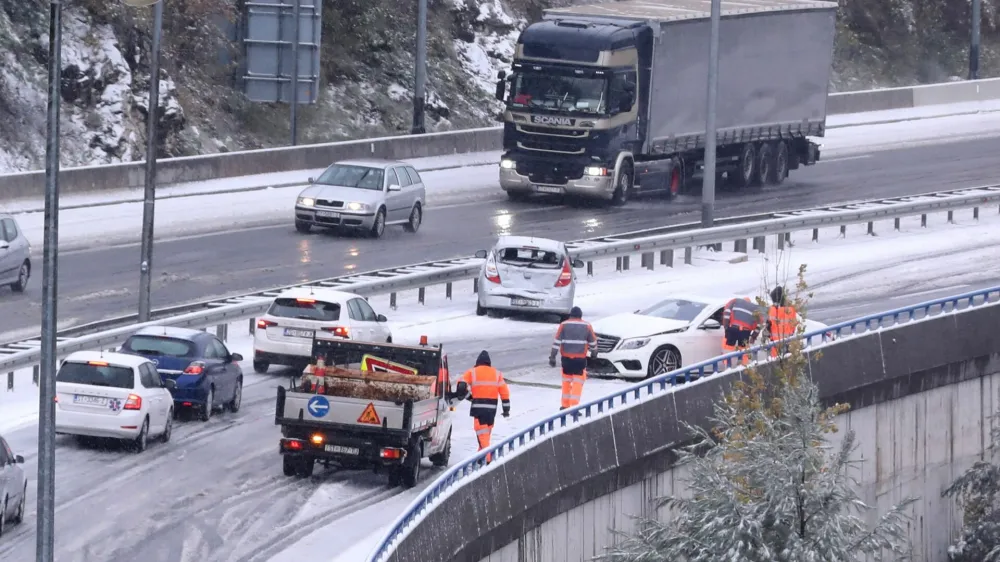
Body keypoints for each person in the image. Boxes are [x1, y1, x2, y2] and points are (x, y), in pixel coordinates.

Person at [452, 350, 510, 463]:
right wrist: (506, 409)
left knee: (482, 436)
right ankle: (480, 458)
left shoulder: (472, 372)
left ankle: (488, 461)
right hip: (491, 411)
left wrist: (467, 397)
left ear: (478, 362)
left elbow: (461, 385)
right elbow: (505, 392)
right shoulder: (497, 374)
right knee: (485, 436)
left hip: (479, 409)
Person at [549, 306, 597, 409]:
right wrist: (594, 353)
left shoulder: (564, 325)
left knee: (566, 381)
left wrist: (552, 357)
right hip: (580, 360)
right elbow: (593, 342)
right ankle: (574, 407)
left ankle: (565, 405)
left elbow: (556, 342)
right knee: (578, 382)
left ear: (570, 315)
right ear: (580, 316)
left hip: (566, 360)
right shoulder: (587, 326)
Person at [721, 296, 762, 366]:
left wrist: (726, 326)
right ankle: (743, 367)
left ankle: (728, 367)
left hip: (733, 329)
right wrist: (753, 337)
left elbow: (727, 311)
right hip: (745, 332)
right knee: (743, 351)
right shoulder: (754, 308)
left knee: (728, 348)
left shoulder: (735, 301)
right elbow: (759, 323)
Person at [767, 286, 799, 358]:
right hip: (788, 342)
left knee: (777, 364)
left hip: (775, 345)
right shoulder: (791, 310)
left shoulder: (771, 311)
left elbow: (768, 327)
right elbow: (794, 326)